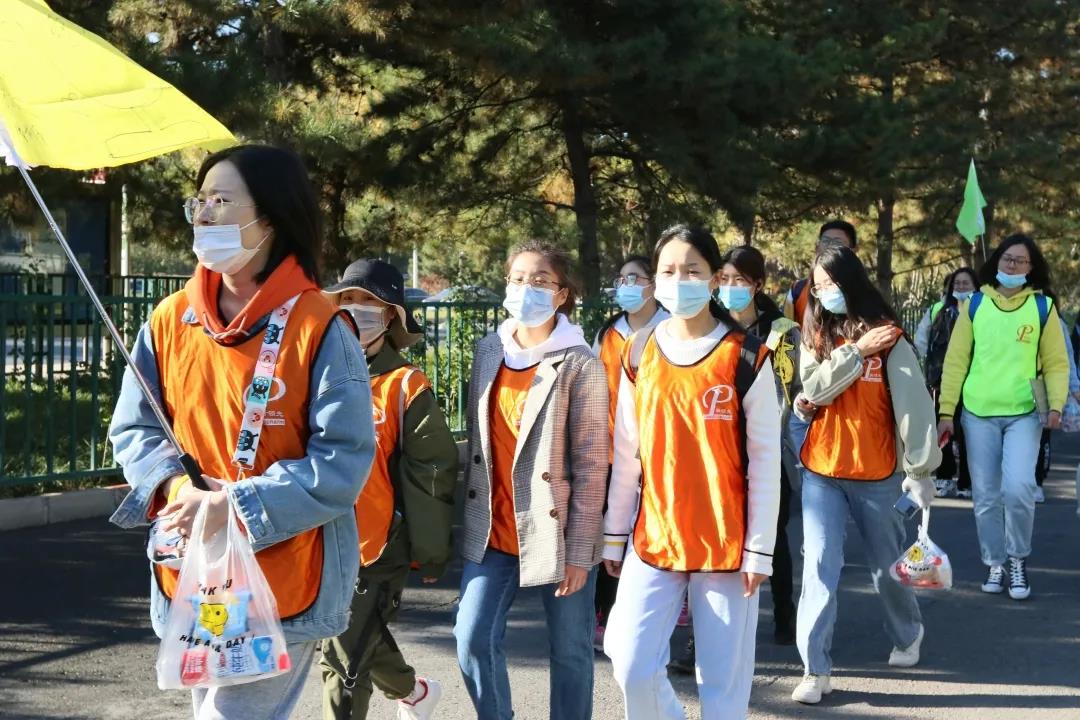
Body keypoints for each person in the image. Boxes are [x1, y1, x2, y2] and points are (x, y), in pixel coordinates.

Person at [108, 144, 375, 720]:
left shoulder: (320, 327)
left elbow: (343, 462)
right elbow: (134, 428)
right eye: (199, 201)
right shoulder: (169, 319)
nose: (203, 214)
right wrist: (179, 490)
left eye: (222, 201)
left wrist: (236, 505)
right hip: (194, 572)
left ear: (270, 219)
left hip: (286, 577)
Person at [602, 224, 781, 720]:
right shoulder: (639, 351)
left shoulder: (745, 356)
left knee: (722, 687)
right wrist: (614, 536)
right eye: (668, 270)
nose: (679, 280)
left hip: (727, 544)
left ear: (714, 277)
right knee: (629, 661)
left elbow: (766, 460)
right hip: (654, 536)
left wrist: (760, 549)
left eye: (692, 270)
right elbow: (627, 451)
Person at [454, 241, 608, 720]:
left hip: (557, 533)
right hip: (493, 529)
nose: (527, 289)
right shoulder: (489, 350)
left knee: (571, 651)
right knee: (471, 637)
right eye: (518, 279)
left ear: (562, 294)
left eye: (540, 281)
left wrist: (580, 553)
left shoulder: (579, 363)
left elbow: (592, 465)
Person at [791, 244, 940, 705]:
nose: (824, 293)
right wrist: (857, 352)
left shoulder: (890, 337)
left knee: (885, 568)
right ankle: (814, 669)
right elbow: (814, 388)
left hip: (878, 473)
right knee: (819, 566)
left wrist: (920, 470)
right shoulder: (815, 332)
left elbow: (914, 407)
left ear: (850, 281)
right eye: (817, 286)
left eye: (830, 283)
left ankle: (907, 632)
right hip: (822, 470)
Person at [319, 259, 459, 720]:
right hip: (314, 540)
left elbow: (432, 470)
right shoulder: (312, 374)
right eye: (348, 299)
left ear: (391, 316)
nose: (356, 308)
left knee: (343, 661)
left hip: (377, 547)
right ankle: (414, 693)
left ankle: (411, 694)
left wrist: (430, 551)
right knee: (351, 642)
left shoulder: (405, 385)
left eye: (369, 301)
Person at [938, 234, 1070, 601]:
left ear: (1031, 268)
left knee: (1019, 488)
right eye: (1007, 258)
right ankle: (995, 562)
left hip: (1024, 413)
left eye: (1020, 261)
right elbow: (956, 361)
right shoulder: (975, 304)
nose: (1012, 265)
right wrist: (946, 410)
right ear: (996, 261)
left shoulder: (1042, 307)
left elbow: (1057, 363)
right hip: (978, 412)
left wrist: (1056, 405)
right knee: (985, 495)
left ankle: (1017, 558)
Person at [592, 255, 669, 650]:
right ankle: (603, 613)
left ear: (653, 285)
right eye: (621, 279)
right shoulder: (609, 333)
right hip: (610, 448)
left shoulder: (669, 330)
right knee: (611, 529)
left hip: (657, 450)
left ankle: (655, 613)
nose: (626, 286)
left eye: (634, 278)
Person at [921, 267, 978, 499]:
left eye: (966, 283)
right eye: (957, 283)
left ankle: (967, 481)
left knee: (968, 434)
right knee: (943, 430)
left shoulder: (981, 310)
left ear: (975, 287)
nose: (961, 287)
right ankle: (944, 477)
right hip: (942, 381)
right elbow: (922, 341)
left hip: (973, 382)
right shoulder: (937, 310)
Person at [783, 220, 857, 326]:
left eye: (837, 242)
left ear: (853, 250)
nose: (829, 246)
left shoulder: (863, 290)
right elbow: (786, 329)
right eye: (825, 241)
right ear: (817, 248)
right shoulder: (798, 289)